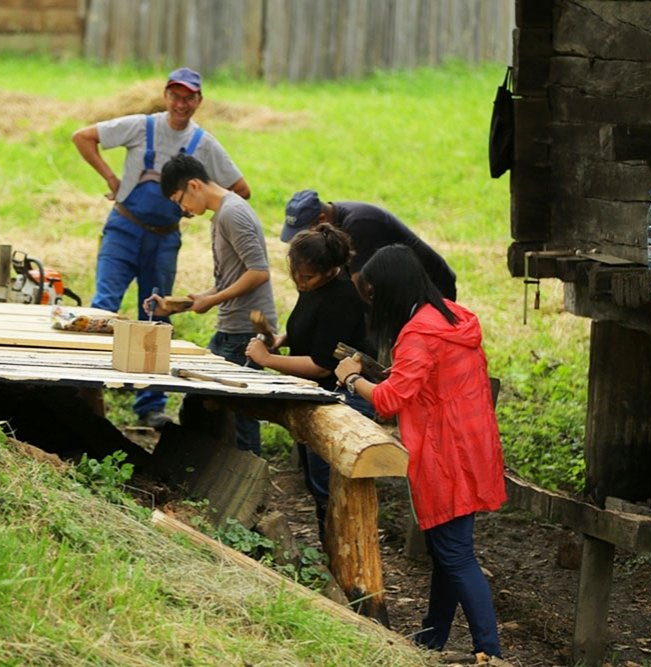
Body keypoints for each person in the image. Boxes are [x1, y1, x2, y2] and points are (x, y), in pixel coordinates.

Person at [334, 244, 505, 661]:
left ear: (390, 289)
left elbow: (390, 400)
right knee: (448, 547)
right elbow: (425, 380)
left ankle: (491, 652)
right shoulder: (449, 314)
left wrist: (352, 377)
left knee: (455, 553)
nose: (372, 302)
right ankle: (433, 637)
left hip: (446, 453)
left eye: (374, 293)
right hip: (473, 444)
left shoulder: (417, 334)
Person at [72, 67, 250, 429]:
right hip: (123, 229)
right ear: (166, 95)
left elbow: (240, 189)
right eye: (176, 95)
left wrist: (195, 208)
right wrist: (111, 178)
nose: (181, 103)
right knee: (103, 307)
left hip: (165, 238)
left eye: (189, 97)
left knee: (156, 314)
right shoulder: (141, 126)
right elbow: (82, 136)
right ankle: (85, 392)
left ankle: (150, 405)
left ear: (199, 101)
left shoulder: (205, 144)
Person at [243, 223, 375, 542]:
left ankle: (344, 558)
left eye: (308, 277)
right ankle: (330, 551)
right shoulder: (315, 289)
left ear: (331, 270)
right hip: (316, 396)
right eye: (296, 275)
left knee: (328, 488)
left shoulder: (342, 298)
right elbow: (311, 330)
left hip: (339, 399)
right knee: (316, 485)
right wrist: (283, 340)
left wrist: (268, 360)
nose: (300, 283)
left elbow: (321, 366)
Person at [147, 153, 276, 454]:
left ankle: (247, 480)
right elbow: (232, 276)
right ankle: (209, 471)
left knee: (241, 412)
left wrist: (213, 300)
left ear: (194, 185)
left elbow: (259, 272)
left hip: (246, 330)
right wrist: (181, 304)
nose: (183, 210)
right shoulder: (221, 214)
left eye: (180, 200)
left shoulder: (232, 213)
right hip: (230, 328)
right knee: (198, 405)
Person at [281, 190, 457, 301]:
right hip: (399, 290)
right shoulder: (334, 220)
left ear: (321, 220)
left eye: (304, 232)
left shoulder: (359, 224)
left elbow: (360, 287)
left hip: (431, 289)